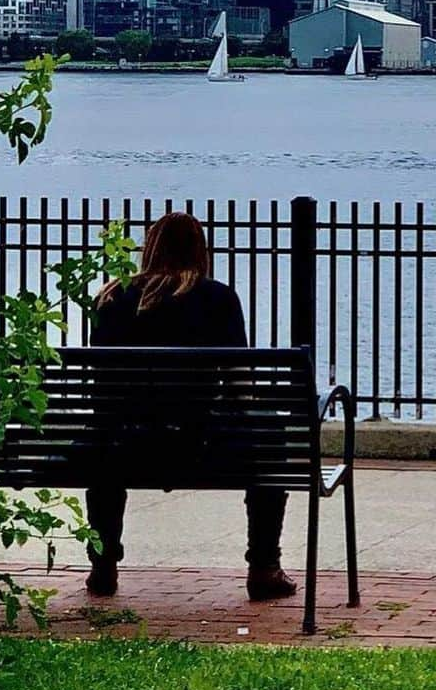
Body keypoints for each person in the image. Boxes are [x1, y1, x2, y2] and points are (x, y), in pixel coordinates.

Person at [84, 210, 296, 602]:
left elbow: (101, 384)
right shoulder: (217, 298)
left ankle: (103, 563)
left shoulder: (112, 297)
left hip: (122, 447)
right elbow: (238, 384)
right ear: (200, 251)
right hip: (197, 444)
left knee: (101, 446)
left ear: (149, 249)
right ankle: (264, 566)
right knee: (272, 443)